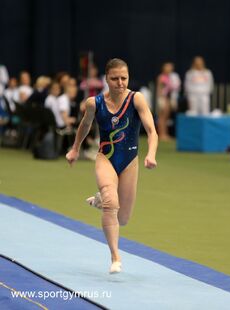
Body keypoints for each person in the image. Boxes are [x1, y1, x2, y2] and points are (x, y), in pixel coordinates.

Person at [66, 58, 158, 274]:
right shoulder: (94, 103)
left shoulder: (137, 99)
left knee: (123, 218)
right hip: (105, 158)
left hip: (129, 161)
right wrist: (75, 148)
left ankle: (100, 200)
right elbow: (85, 125)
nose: (120, 83)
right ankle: (115, 256)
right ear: (106, 79)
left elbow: (152, 131)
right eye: (115, 78)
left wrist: (151, 154)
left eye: (124, 78)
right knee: (111, 202)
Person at [156, 62, 181, 141]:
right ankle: (161, 134)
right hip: (163, 98)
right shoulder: (161, 77)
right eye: (167, 68)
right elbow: (159, 89)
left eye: (170, 68)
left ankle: (165, 133)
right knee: (162, 117)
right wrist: (160, 99)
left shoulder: (171, 77)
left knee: (166, 117)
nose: (169, 69)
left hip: (168, 98)